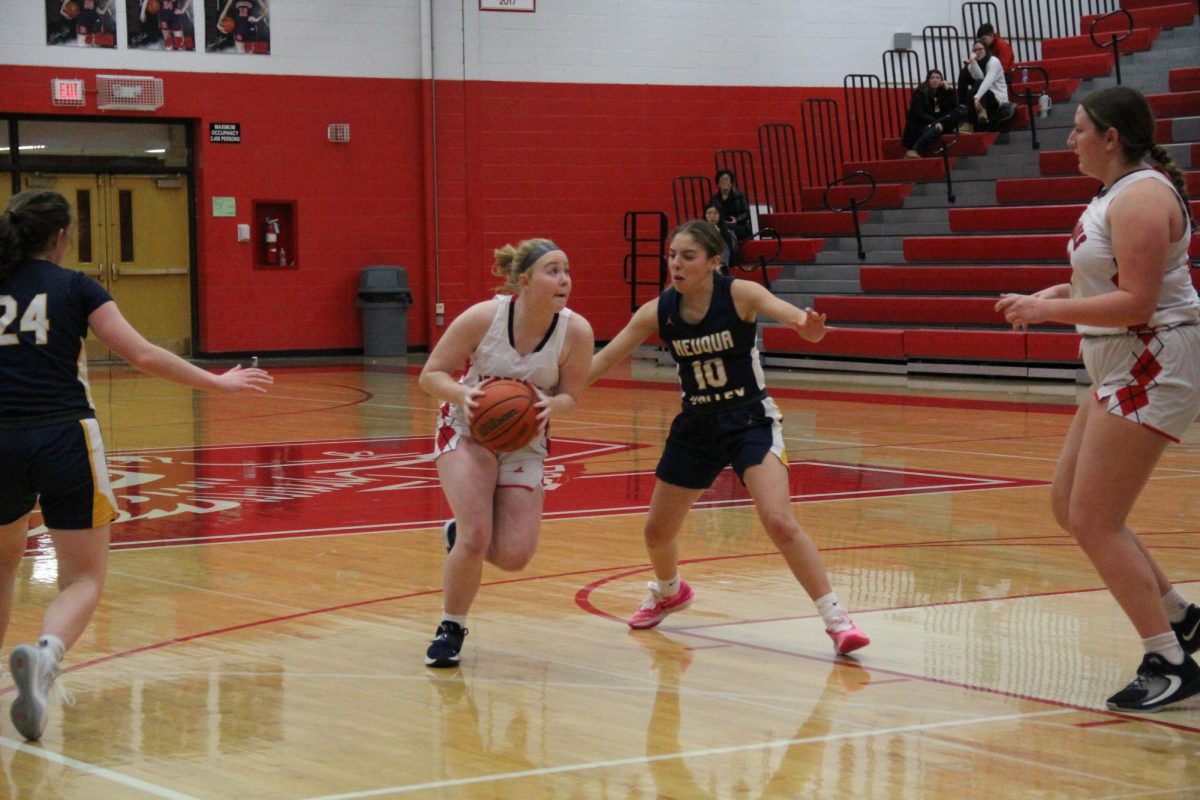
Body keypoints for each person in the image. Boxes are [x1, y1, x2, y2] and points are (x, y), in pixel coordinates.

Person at [0, 190, 273, 741]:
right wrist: (217, 381)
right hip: (64, 436)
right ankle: (46, 655)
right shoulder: (76, 286)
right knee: (82, 577)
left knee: (2, 565)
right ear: (61, 237)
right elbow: (143, 354)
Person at [995, 86, 1200, 712]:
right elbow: (1106, 280)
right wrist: (1059, 293)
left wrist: (1045, 313)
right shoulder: (1116, 194)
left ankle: (1167, 660)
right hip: (1122, 357)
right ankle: (1182, 619)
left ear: (1112, 136)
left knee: (1092, 517)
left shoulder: (1141, 195)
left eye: (1079, 129)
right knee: (1068, 504)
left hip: (1154, 356)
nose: (1069, 139)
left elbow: (1137, 300)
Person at [586, 220, 869, 656]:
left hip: (749, 420)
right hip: (696, 425)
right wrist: (550, 394)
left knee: (778, 519)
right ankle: (669, 590)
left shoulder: (740, 294)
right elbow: (603, 360)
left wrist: (809, 327)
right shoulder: (658, 310)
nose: (676, 264)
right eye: (672, 255)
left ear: (714, 262)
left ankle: (837, 620)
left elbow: (795, 319)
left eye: (687, 256)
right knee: (657, 533)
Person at [418, 238, 594, 668]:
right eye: (552, 270)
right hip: (467, 428)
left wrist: (554, 405)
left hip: (525, 441)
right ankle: (451, 626)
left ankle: (456, 536)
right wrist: (465, 394)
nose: (564, 279)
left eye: (567, 270)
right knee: (478, 533)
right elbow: (431, 375)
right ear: (524, 281)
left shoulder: (576, 331)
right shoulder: (484, 317)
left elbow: (572, 395)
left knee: (514, 556)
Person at [956, 39, 1015, 132]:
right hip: (984, 97)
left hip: (997, 98)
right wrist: (973, 61)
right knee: (973, 89)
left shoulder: (994, 61)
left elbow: (987, 82)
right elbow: (980, 78)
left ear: (986, 50)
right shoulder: (972, 64)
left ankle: (970, 122)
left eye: (980, 49)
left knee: (975, 90)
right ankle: (975, 118)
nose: (978, 52)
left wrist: (977, 97)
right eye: (975, 50)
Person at [902, 69, 960, 158]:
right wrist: (935, 122)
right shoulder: (920, 92)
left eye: (938, 78)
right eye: (932, 78)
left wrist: (949, 90)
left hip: (936, 121)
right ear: (928, 80)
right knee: (937, 128)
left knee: (959, 111)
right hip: (919, 125)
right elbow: (918, 113)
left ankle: (957, 127)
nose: (935, 80)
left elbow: (953, 107)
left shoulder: (942, 92)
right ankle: (914, 150)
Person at [708, 170, 752, 244]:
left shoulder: (740, 196)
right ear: (718, 184)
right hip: (721, 224)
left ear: (731, 183)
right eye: (721, 180)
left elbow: (746, 213)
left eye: (726, 179)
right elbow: (711, 212)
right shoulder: (714, 199)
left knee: (727, 230)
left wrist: (737, 220)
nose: (724, 182)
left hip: (739, 225)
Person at [704, 202, 736, 272]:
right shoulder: (700, 232)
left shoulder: (728, 233)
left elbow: (728, 252)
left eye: (715, 213)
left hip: (721, 266)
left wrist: (718, 235)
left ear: (720, 215)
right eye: (709, 213)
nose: (712, 216)